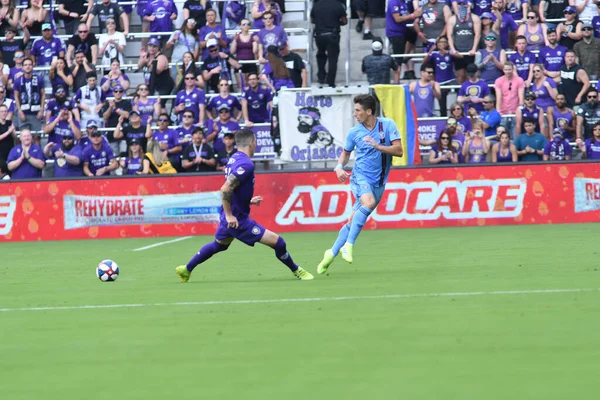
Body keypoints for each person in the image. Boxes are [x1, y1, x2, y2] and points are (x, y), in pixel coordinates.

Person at [176, 128, 313, 283]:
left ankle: (186, 269)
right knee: (278, 242)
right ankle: (297, 270)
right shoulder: (246, 164)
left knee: (219, 245)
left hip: (231, 214)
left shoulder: (234, 158)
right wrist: (229, 215)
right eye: (255, 142)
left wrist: (246, 201)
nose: (255, 146)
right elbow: (226, 188)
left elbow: (233, 189)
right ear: (250, 142)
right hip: (237, 219)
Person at [316, 94, 402, 273]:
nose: (355, 114)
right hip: (360, 177)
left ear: (369, 111)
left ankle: (330, 253)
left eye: (358, 110)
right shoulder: (354, 132)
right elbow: (346, 153)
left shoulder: (387, 125)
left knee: (353, 219)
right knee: (368, 203)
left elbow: (399, 151)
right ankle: (349, 245)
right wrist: (339, 167)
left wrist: (378, 146)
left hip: (379, 181)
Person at [310, 1, 346, 87]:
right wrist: (337, 22)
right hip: (332, 35)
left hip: (319, 34)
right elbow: (344, 21)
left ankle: (321, 75)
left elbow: (312, 20)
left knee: (321, 54)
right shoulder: (338, 5)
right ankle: (331, 81)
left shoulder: (317, 5)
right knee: (333, 59)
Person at [386, 0, 422, 81]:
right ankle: (396, 82)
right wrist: (413, 15)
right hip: (395, 32)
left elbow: (407, 17)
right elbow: (397, 18)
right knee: (398, 59)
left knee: (413, 34)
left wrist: (417, 16)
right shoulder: (394, 2)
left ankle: (405, 57)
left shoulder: (403, 3)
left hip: (403, 31)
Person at [447, 0, 481, 84]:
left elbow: (477, 34)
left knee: (470, 75)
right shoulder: (452, 19)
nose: (461, 6)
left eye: (464, 4)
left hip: (470, 52)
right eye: (459, 4)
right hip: (458, 52)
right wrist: (453, 49)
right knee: (460, 75)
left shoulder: (474, 18)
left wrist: (473, 49)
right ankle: (461, 93)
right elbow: (449, 35)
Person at [138, 39, 174, 112]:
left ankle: (164, 120)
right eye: (150, 46)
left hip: (164, 85)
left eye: (154, 46)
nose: (152, 48)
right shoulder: (147, 56)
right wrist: (142, 59)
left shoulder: (161, 57)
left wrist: (147, 63)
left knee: (160, 104)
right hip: (152, 84)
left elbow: (157, 70)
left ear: (158, 48)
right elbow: (139, 66)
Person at [13, 57, 45, 133]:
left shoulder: (39, 79)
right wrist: (20, 111)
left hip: (36, 112)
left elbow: (43, 95)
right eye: (25, 65)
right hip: (23, 112)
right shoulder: (18, 80)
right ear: (22, 67)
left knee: (36, 137)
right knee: (23, 135)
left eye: (30, 64)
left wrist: (41, 110)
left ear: (33, 66)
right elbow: (16, 97)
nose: (28, 66)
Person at [495, 62, 525, 137]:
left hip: (515, 113)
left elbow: (521, 96)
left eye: (509, 69)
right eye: (506, 69)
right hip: (503, 112)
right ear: (503, 70)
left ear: (513, 69)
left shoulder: (519, 80)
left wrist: (520, 109)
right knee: (502, 137)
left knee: (515, 136)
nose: (508, 71)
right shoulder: (499, 81)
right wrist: (498, 111)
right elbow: (498, 97)